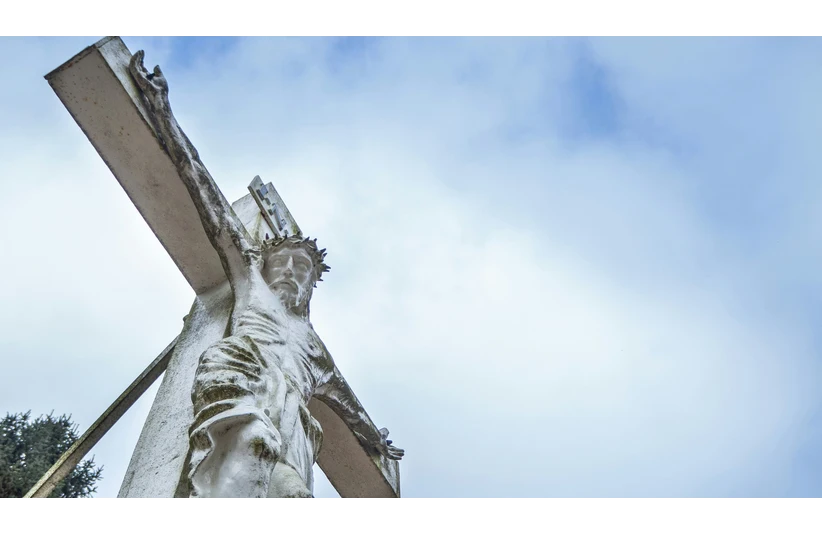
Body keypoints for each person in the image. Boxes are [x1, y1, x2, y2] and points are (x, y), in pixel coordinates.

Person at [128, 50, 403, 499]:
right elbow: (208, 205)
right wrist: (163, 113)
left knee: (295, 496)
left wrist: (378, 443)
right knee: (252, 449)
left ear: (314, 284)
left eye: (305, 269)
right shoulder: (252, 286)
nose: (293, 272)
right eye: (285, 262)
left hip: (292, 419)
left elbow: (351, 412)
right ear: (266, 264)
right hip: (244, 382)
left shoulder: (315, 350)